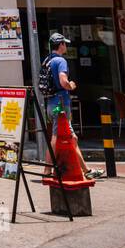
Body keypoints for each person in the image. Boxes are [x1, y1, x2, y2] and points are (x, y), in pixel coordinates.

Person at [41, 33, 93, 177]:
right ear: (61, 45)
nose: (66, 46)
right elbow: (63, 81)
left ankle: (86, 170)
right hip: (61, 104)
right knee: (56, 137)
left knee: (71, 137)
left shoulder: (47, 61)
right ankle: (47, 169)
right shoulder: (60, 61)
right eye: (65, 43)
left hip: (51, 104)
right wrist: (71, 85)